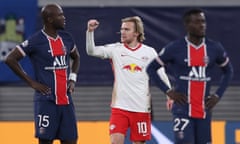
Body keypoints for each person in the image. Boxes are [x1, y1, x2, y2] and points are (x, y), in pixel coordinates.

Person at [147, 8, 233, 144]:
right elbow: (151, 68)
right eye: (197, 22)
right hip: (182, 109)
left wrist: (217, 95)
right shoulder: (175, 48)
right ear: (187, 25)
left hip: (204, 110)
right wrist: (169, 92)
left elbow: (228, 71)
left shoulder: (214, 48)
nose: (202, 25)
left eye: (203, 21)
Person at [86, 16, 170, 144]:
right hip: (120, 108)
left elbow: (161, 74)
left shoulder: (149, 52)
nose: (123, 32)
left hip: (141, 108)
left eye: (127, 29)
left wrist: (169, 94)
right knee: (115, 141)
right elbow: (91, 51)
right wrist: (90, 32)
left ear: (136, 33)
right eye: (122, 29)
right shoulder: (115, 49)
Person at [5, 3, 80, 144]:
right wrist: (31, 82)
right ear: (50, 19)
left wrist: (73, 79)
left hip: (66, 101)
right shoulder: (35, 40)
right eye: (60, 15)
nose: (64, 18)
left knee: (71, 140)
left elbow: (76, 57)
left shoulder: (67, 38)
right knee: (45, 141)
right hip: (46, 101)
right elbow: (10, 59)